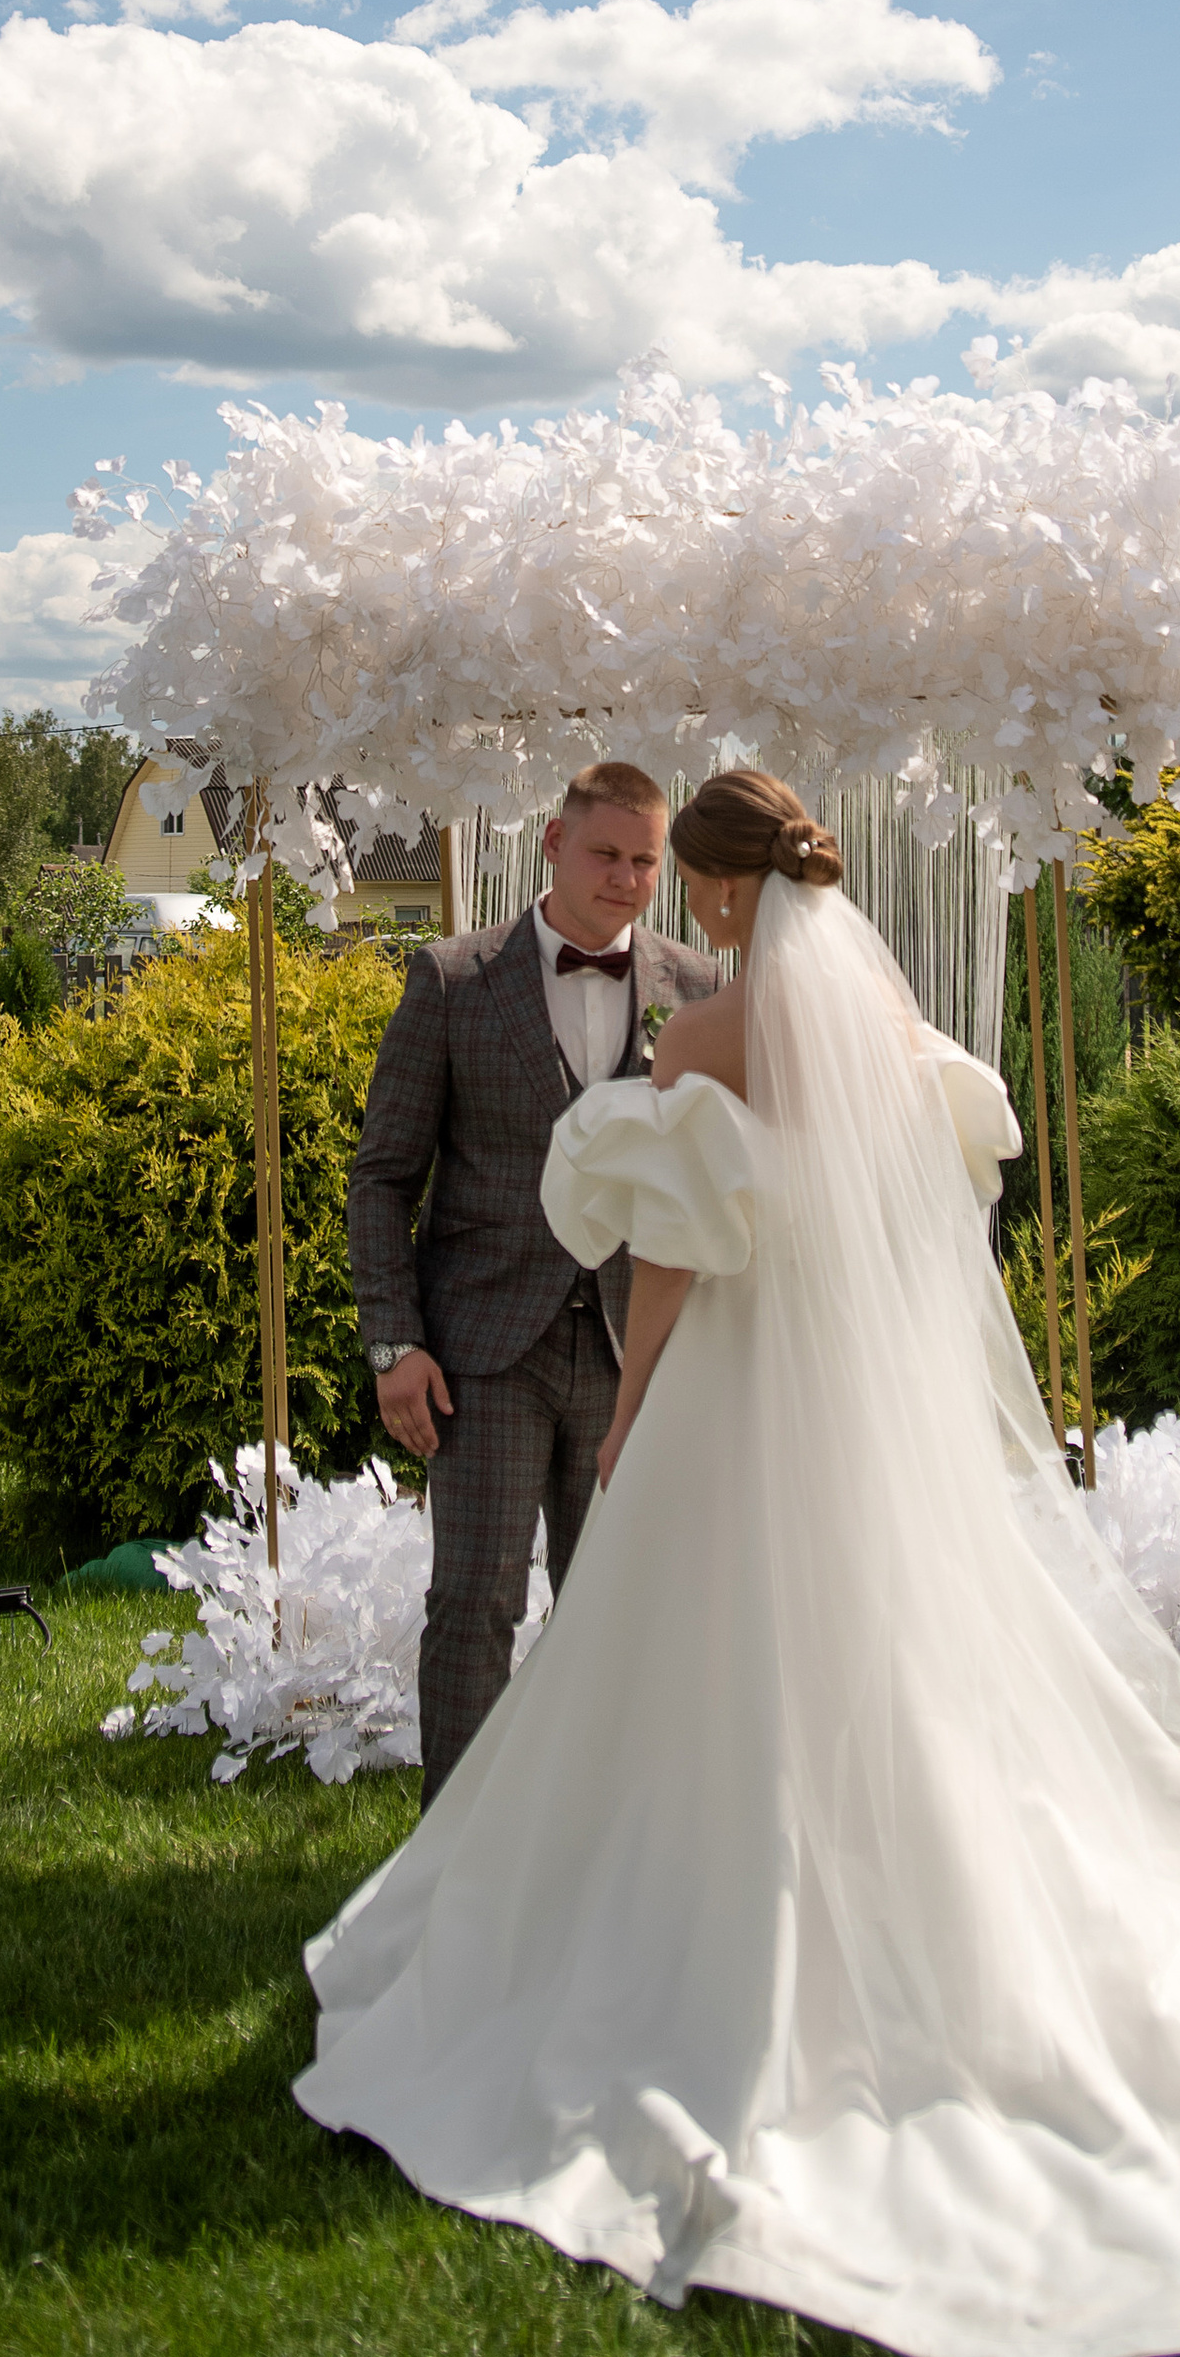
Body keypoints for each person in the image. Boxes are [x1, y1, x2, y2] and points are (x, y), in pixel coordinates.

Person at [296, 767, 1180, 2357]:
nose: (660, 892)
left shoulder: (705, 1033)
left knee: (702, 1661)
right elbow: (923, 1214)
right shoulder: (883, 1016)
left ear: (711, 885)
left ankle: (675, 1954)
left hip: (725, 1407)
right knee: (869, 1662)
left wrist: (638, 1411)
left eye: (673, 871)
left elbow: (677, 1265)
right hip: (852, 1418)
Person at [344, 758, 720, 1803]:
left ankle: (607, 1858)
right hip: (481, 1356)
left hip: (631, 1354)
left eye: (647, 861)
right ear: (553, 845)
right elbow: (381, 1181)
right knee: (472, 1610)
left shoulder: (697, 990)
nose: (627, 878)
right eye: (606, 853)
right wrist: (394, 1343)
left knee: (622, 1615)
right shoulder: (453, 979)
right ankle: (447, 1868)